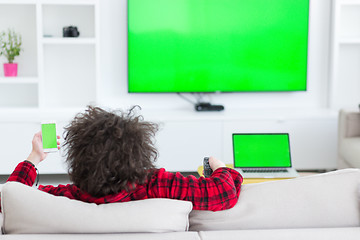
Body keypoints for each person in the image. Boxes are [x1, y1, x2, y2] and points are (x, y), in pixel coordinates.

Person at [2, 106, 243, 212]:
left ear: (78, 160)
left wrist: (33, 158)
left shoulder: (65, 197)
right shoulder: (157, 185)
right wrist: (221, 167)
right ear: (140, 153)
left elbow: (9, 199)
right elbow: (223, 193)